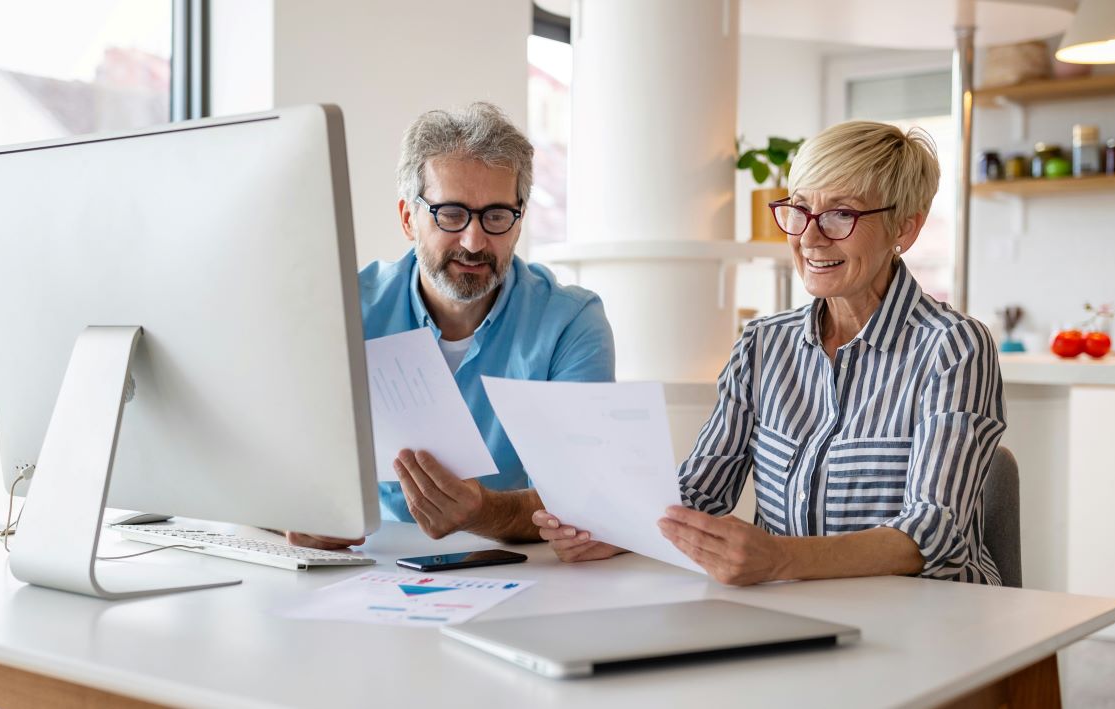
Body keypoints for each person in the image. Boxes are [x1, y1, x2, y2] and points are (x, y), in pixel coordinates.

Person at [534, 121, 1007, 586]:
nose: (809, 237)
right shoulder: (763, 344)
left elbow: (935, 533)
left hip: (930, 622)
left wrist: (782, 559)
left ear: (905, 227)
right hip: (797, 616)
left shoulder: (953, 347)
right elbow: (702, 488)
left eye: (842, 214)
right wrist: (619, 533)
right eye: (799, 210)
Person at [290, 102, 615, 550]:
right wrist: (296, 513)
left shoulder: (570, 323)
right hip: (369, 563)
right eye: (450, 214)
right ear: (408, 218)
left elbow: (585, 498)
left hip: (518, 574)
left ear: (519, 222)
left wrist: (485, 514)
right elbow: (275, 463)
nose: (474, 241)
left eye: (497, 216)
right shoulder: (345, 310)